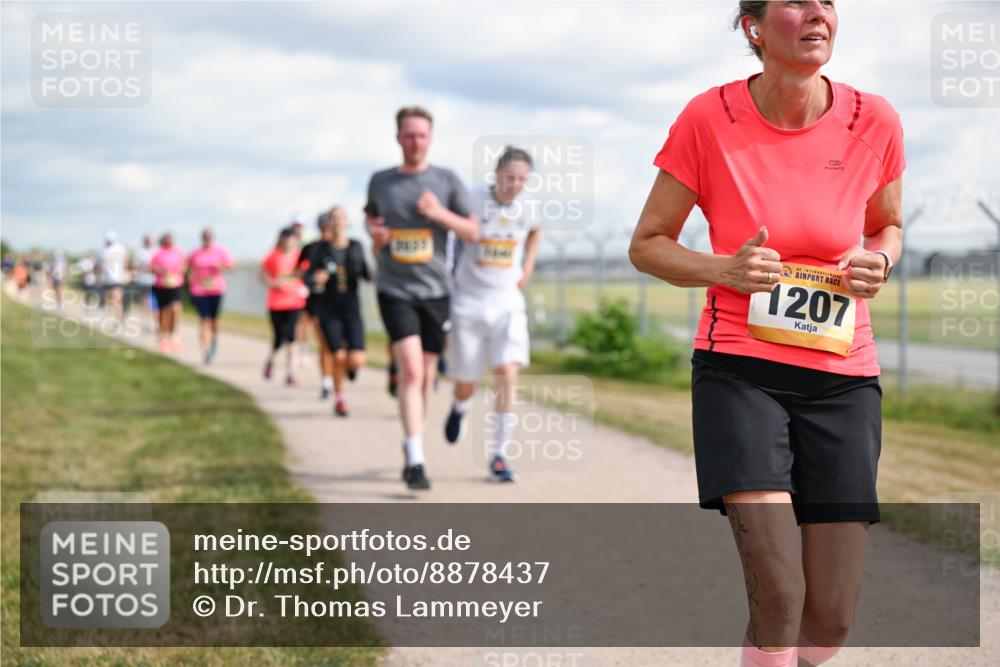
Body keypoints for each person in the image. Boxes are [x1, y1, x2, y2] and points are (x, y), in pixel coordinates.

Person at [628, 2, 904, 666]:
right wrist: (721, 267)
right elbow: (648, 245)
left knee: (830, 617)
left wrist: (881, 259)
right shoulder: (708, 119)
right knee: (778, 593)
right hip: (740, 374)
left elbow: (887, 224)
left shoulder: (875, 120)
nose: (817, 14)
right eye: (795, 2)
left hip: (844, 380)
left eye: (827, 2)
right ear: (754, 26)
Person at [365, 105, 478, 490]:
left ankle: (414, 437)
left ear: (430, 138)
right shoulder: (381, 181)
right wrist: (375, 234)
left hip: (436, 291)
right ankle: (415, 456)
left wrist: (439, 213)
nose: (416, 141)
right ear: (398, 137)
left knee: (427, 374)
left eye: (422, 135)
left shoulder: (446, 180)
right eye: (409, 135)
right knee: (411, 370)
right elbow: (372, 218)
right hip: (394, 288)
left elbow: (472, 231)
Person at [443, 147, 541, 482]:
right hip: (468, 300)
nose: (515, 185)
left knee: (506, 372)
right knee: (466, 381)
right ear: (497, 174)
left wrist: (526, 266)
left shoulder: (528, 205)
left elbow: (535, 231)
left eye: (522, 179)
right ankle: (459, 406)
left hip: (507, 301)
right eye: (510, 177)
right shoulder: (470, 200)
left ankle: (499, 455)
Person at [299, 207, 371, 416]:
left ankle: (350, 368)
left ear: (348, 222)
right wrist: (315, 279)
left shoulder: (356, 246)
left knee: (357, 360)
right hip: (328, 310)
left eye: (342, 217)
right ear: (328, 224)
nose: (338, 221)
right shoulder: (319, 249)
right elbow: (306, 276)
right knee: (337, 356)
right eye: (334, 218)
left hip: (352, 309)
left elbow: (367, 273)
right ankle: (340, 398)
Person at [260, 227, 307, 385]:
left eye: (291, 238)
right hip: (276, 303)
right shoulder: (273, 256)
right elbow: (262, 275)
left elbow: (306, 273)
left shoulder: (301, 256)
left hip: (294, 302)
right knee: (279, 338)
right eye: (286, 238)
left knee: (291, 336)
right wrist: (272, 282)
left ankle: (290, 373)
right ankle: (270, 361)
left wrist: (304, 286)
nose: (288, 241)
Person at [187, 228, 234, 364]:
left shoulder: (220, 251)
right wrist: (191, 280)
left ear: (213, 238)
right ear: (202, 238)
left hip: (216, 289)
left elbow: (231, 267)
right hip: (199, 290)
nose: (207, 239)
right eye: (205, 237)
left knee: (213, 321)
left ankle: (214, 342)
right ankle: (205, 349)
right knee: (204, 320)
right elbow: (188, 268)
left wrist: (221, 266)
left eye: (210, 237)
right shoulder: (195, 253)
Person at [150, 233, 186, 352]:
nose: (169, 241)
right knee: (164, 311)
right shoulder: (158, 253)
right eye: (167, 239)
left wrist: (179, 270)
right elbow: (152, 268)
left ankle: (174, 334)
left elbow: (184, 266)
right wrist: (160, 270)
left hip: (176, 284)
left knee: (176, 308)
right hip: (161, 285)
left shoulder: (179, 251)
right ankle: (163, 336)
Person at [97, 230, 128, 320]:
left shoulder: (121, 248)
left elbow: (126, 261)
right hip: (105, 279)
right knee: (109, 299)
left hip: (117, 279)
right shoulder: (101, 249)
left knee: (116, 298)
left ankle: (118, 317)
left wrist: (125, 273)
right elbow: (98, 264)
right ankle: (113, 317)